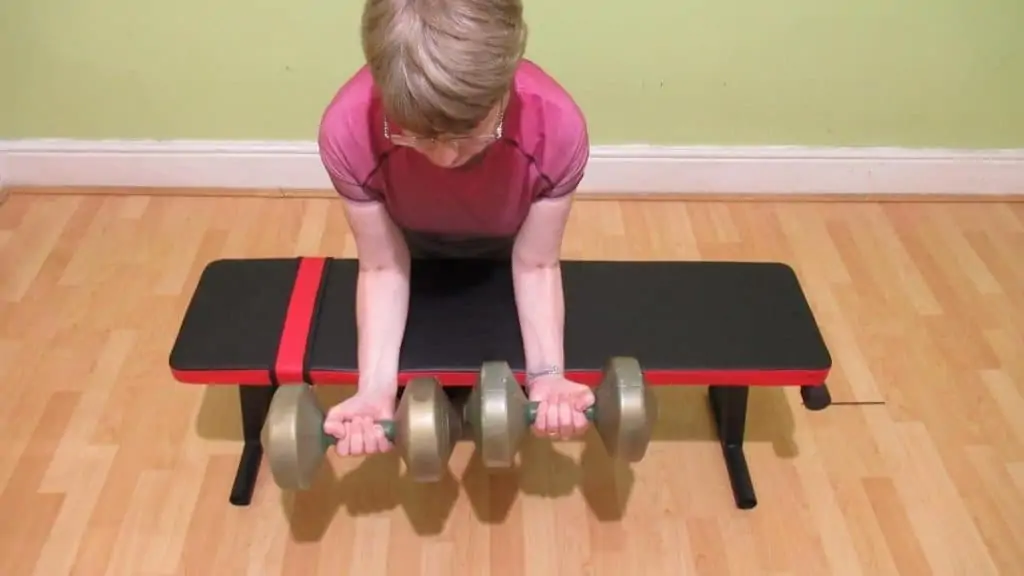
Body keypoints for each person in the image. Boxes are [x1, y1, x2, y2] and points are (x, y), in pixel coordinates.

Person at [317, 0, 594, 458]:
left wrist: (548, 379)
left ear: (505, 86)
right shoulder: (348, 129)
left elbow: (537, 264)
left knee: (486, 406)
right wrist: (374, 392)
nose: (445, 158)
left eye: (471, 132)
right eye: (417, 134)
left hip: (506, 255)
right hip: (414, 256)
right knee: (431, 402)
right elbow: (383, 268)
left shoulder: (557, 127)